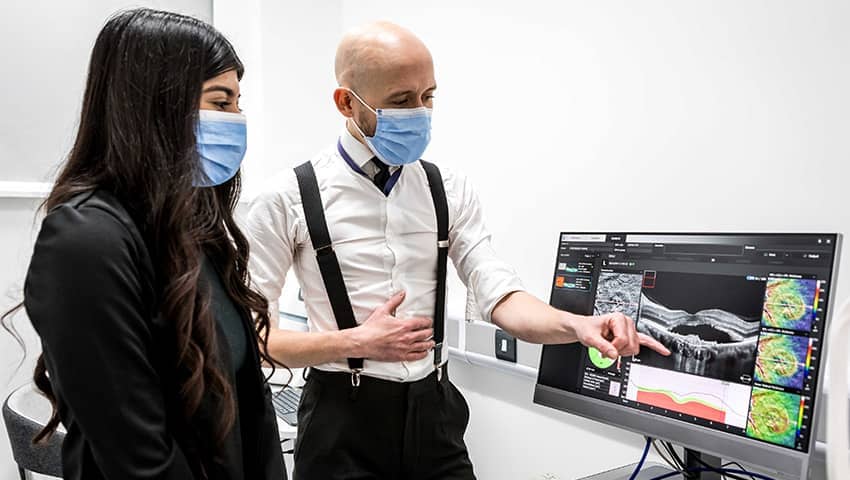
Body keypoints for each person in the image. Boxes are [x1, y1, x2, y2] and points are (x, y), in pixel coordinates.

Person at [244, 21, 669, 479]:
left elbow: (499, 294)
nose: (420, 113)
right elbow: (255, 339)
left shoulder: (445, 189)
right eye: (402, 101)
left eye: (429, 97)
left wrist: (577, 324)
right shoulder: (286, 198)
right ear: (347, 102)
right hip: (340, 421)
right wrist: (354, 342)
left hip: (435, 417)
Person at [4, 9, 286, 480]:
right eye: (221, 103)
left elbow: (250, 409)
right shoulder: (84, 243)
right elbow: (138, 460)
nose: (238, 122)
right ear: (157, 105)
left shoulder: (195, 232)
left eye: (237, 104)